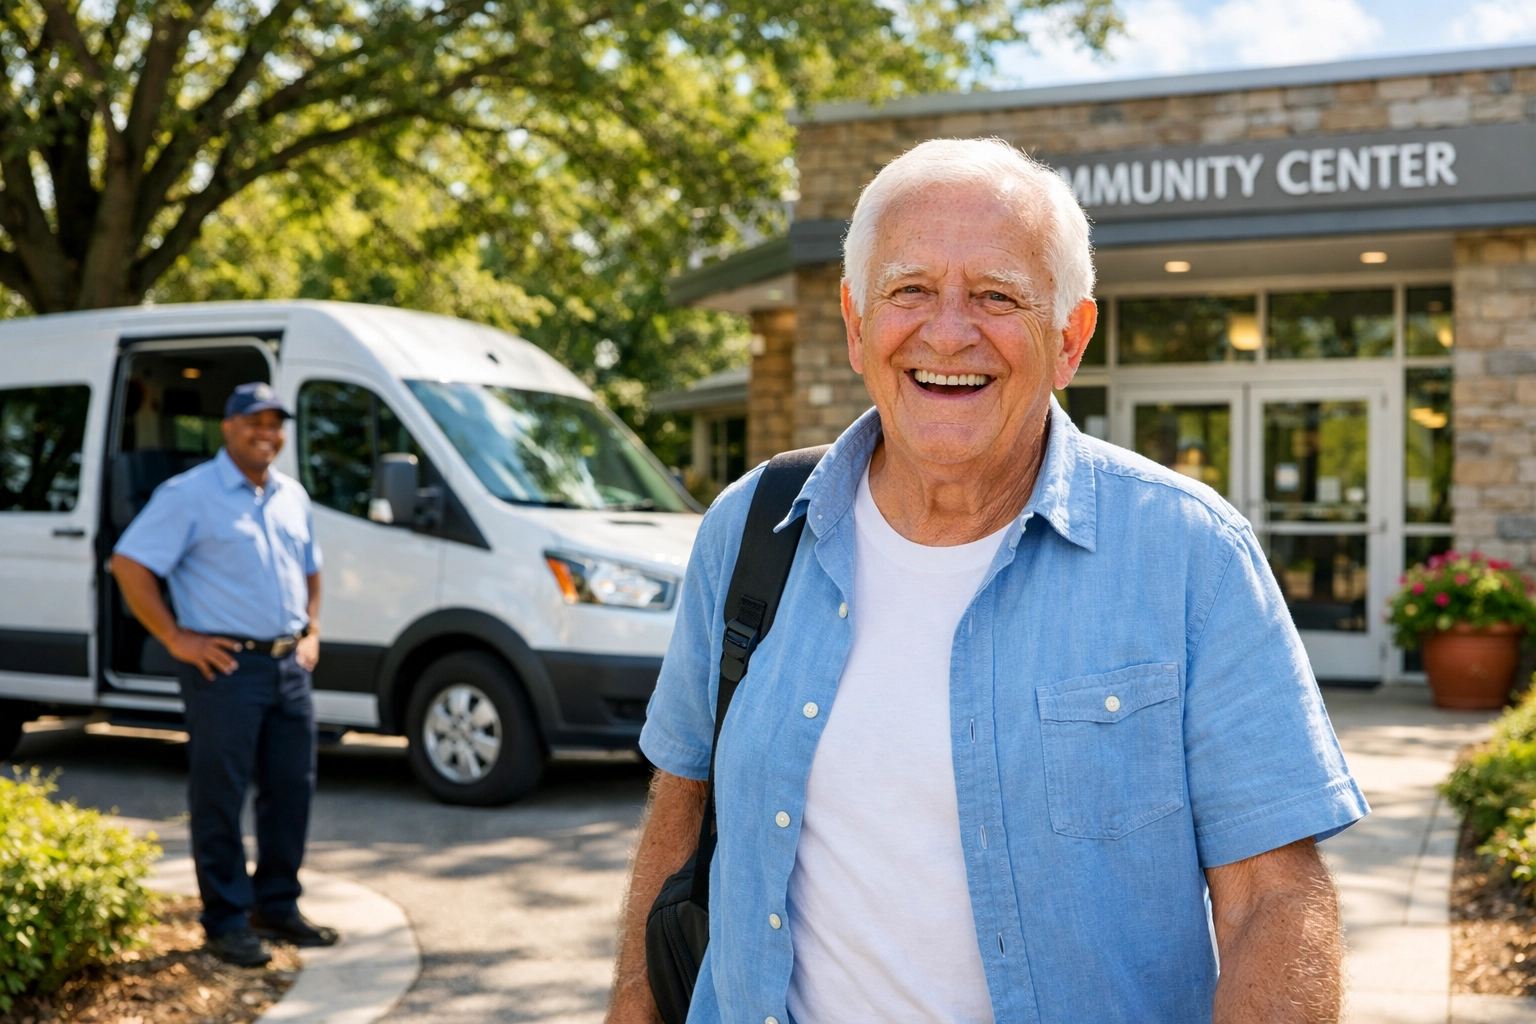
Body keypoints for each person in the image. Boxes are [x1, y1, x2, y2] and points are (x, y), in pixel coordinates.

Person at [607, 138, 1369, 1024]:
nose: (948, 333)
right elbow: (679, 808)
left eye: (998, 296)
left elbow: (1272, 900)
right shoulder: (749, 528)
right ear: (857, 325)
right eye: (911, 290)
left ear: (1070, 338)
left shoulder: (1190, 555)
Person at [112, 382, 338, 966]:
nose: (267, 431)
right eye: (253, 421)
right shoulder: (188, 495)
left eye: (275, 422)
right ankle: (226, 920)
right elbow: (129, 563)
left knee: (292, 790)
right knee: (221, 793)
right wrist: (174, 637)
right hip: (226, 667)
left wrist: (311, 629)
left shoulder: (292, 495)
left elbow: (311, 569)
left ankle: (277, 906)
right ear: (228, 426)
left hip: (289, 665)